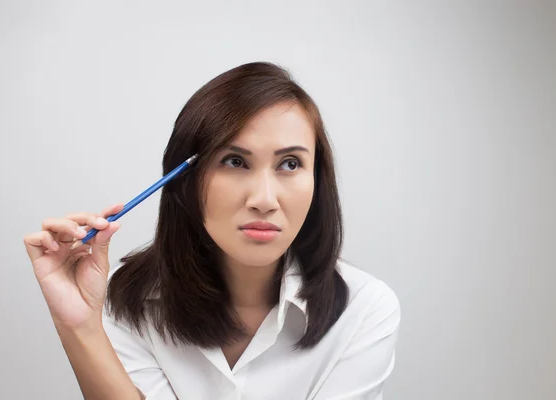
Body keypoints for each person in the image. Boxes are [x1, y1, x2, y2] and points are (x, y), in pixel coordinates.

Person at [23, 62, 401, 400]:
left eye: (289, 163)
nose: (265, 199)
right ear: (185, 181)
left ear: (317, 180)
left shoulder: (365, 310)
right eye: (235, 161)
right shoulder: (122, 297)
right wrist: (79, 327)